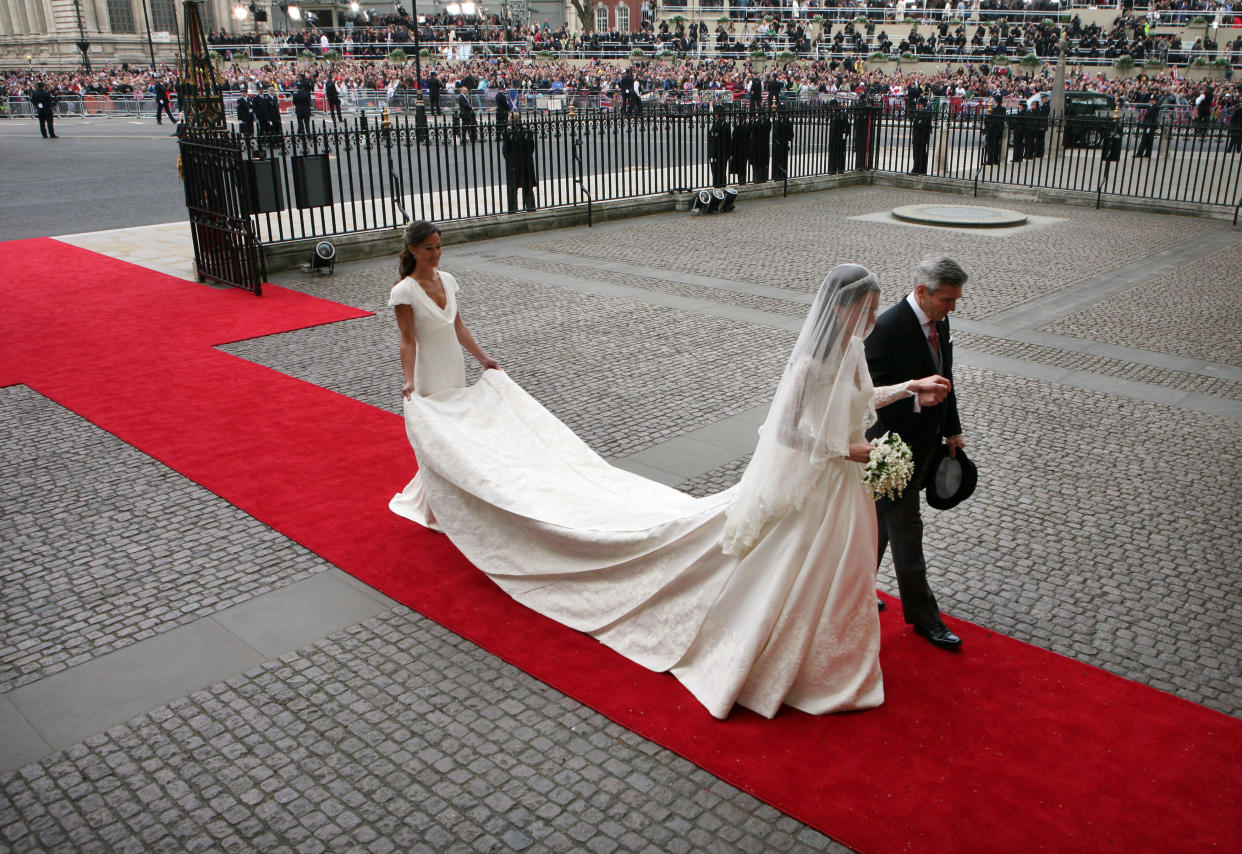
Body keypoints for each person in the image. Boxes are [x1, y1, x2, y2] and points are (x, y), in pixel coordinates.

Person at [390, 264, 950, 720]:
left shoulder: (854, 350)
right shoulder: (807, 363)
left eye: (874, 308)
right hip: (821, 481)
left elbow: (862, 398)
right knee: (795, 569)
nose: (872, 317)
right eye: (865, 308)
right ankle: (796, 657)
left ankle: (838, 653)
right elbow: (787, 432)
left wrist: (910, 389)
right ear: (840, 307)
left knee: (843, 570)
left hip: (845, 486)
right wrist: (845, 452)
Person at [864, 255, 969, 651]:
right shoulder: (886, 328)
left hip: (927, 444)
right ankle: (927, 620)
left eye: (955, 301)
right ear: (922, 292)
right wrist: (914, 396)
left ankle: (853, 591)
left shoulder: (940, 320)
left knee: (875, 529)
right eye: (947, 300)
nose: (952, 308)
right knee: (907, 534)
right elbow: (867, 396)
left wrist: (952, 428)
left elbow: (946, 378)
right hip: (892, 451)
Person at [388, 221, 500, 530]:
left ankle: (458, 495)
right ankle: (435, 502)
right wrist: (409, 379)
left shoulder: (448, 281)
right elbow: (408, 339)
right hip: (428, 370)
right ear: (413, 250)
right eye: (429, 248)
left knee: (457, 433)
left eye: (439, 246)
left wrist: (483, 358)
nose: (436, 253)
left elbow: (458, 327)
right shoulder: (404, 291)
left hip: (453, 365)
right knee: (437, 438)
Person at [500, 112, 538, 212]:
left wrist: (510, 159)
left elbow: (505, 151)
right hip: (527, 162)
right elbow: (532, 148)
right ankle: (531, 208)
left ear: (509, 120)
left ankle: (512, 210)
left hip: (513, 162)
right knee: (527, 187)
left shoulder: (507, 133)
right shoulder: (527, 132)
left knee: (512, 188)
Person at [982, 94, 1005, 165]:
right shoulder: (1003, 109)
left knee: (990, 146)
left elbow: (991, 120)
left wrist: (988, 127)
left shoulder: (994, 109)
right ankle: (995, 159)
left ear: (996, 101)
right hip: (999, 130)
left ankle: (990, 160)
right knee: (997, 145)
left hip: (993, 130)